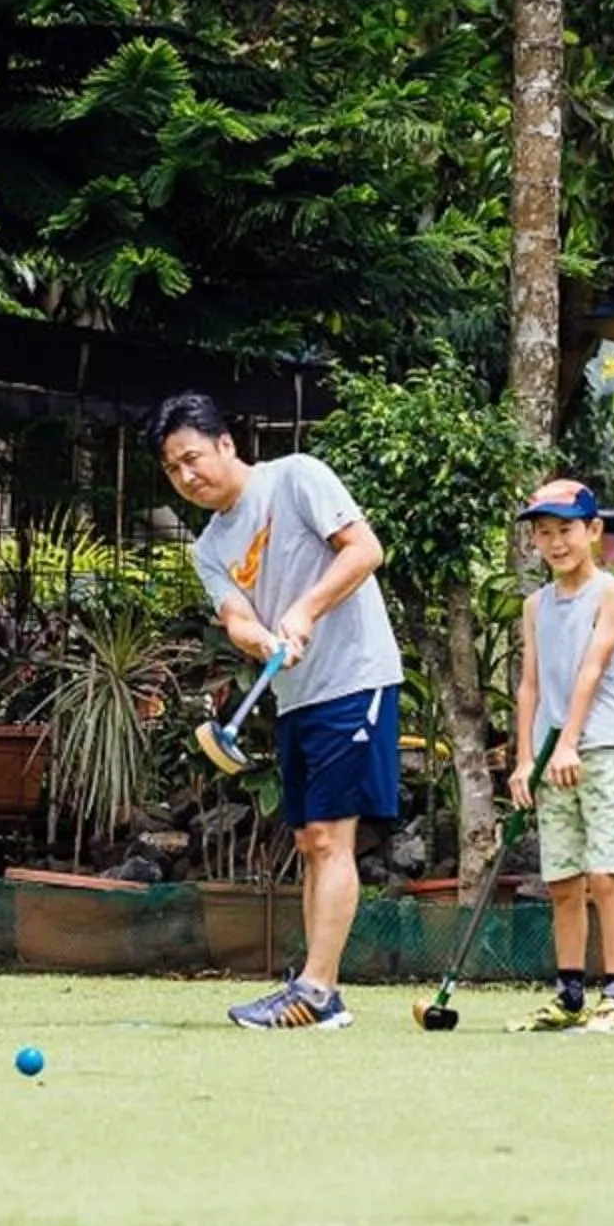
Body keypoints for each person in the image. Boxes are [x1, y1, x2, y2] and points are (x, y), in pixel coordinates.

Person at [153, 391, 402, 1031]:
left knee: (329, 837)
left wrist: (305, 609)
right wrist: (262, 638)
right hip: (296, 694)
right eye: (173, 470)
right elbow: (235, 615)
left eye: (192, 458)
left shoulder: (298, 478)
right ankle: (319, 991)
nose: (187, 477)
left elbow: (365, 550)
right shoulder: (209, 547)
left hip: (354, 677)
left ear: (226, 443)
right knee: (307, 838)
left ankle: (315, 992)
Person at [507, 477, 614, 1035]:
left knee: (607, 875)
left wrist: (568, 741)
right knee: (563, 880)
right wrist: (524, 760)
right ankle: (569, 995)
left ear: (593, 531)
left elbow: (592, 666)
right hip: (548, 756)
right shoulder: (535, 604)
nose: (556, 543)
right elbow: (530, 686)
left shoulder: (613, 593)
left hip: (601, 744)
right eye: (544, 533)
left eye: (566, 530)